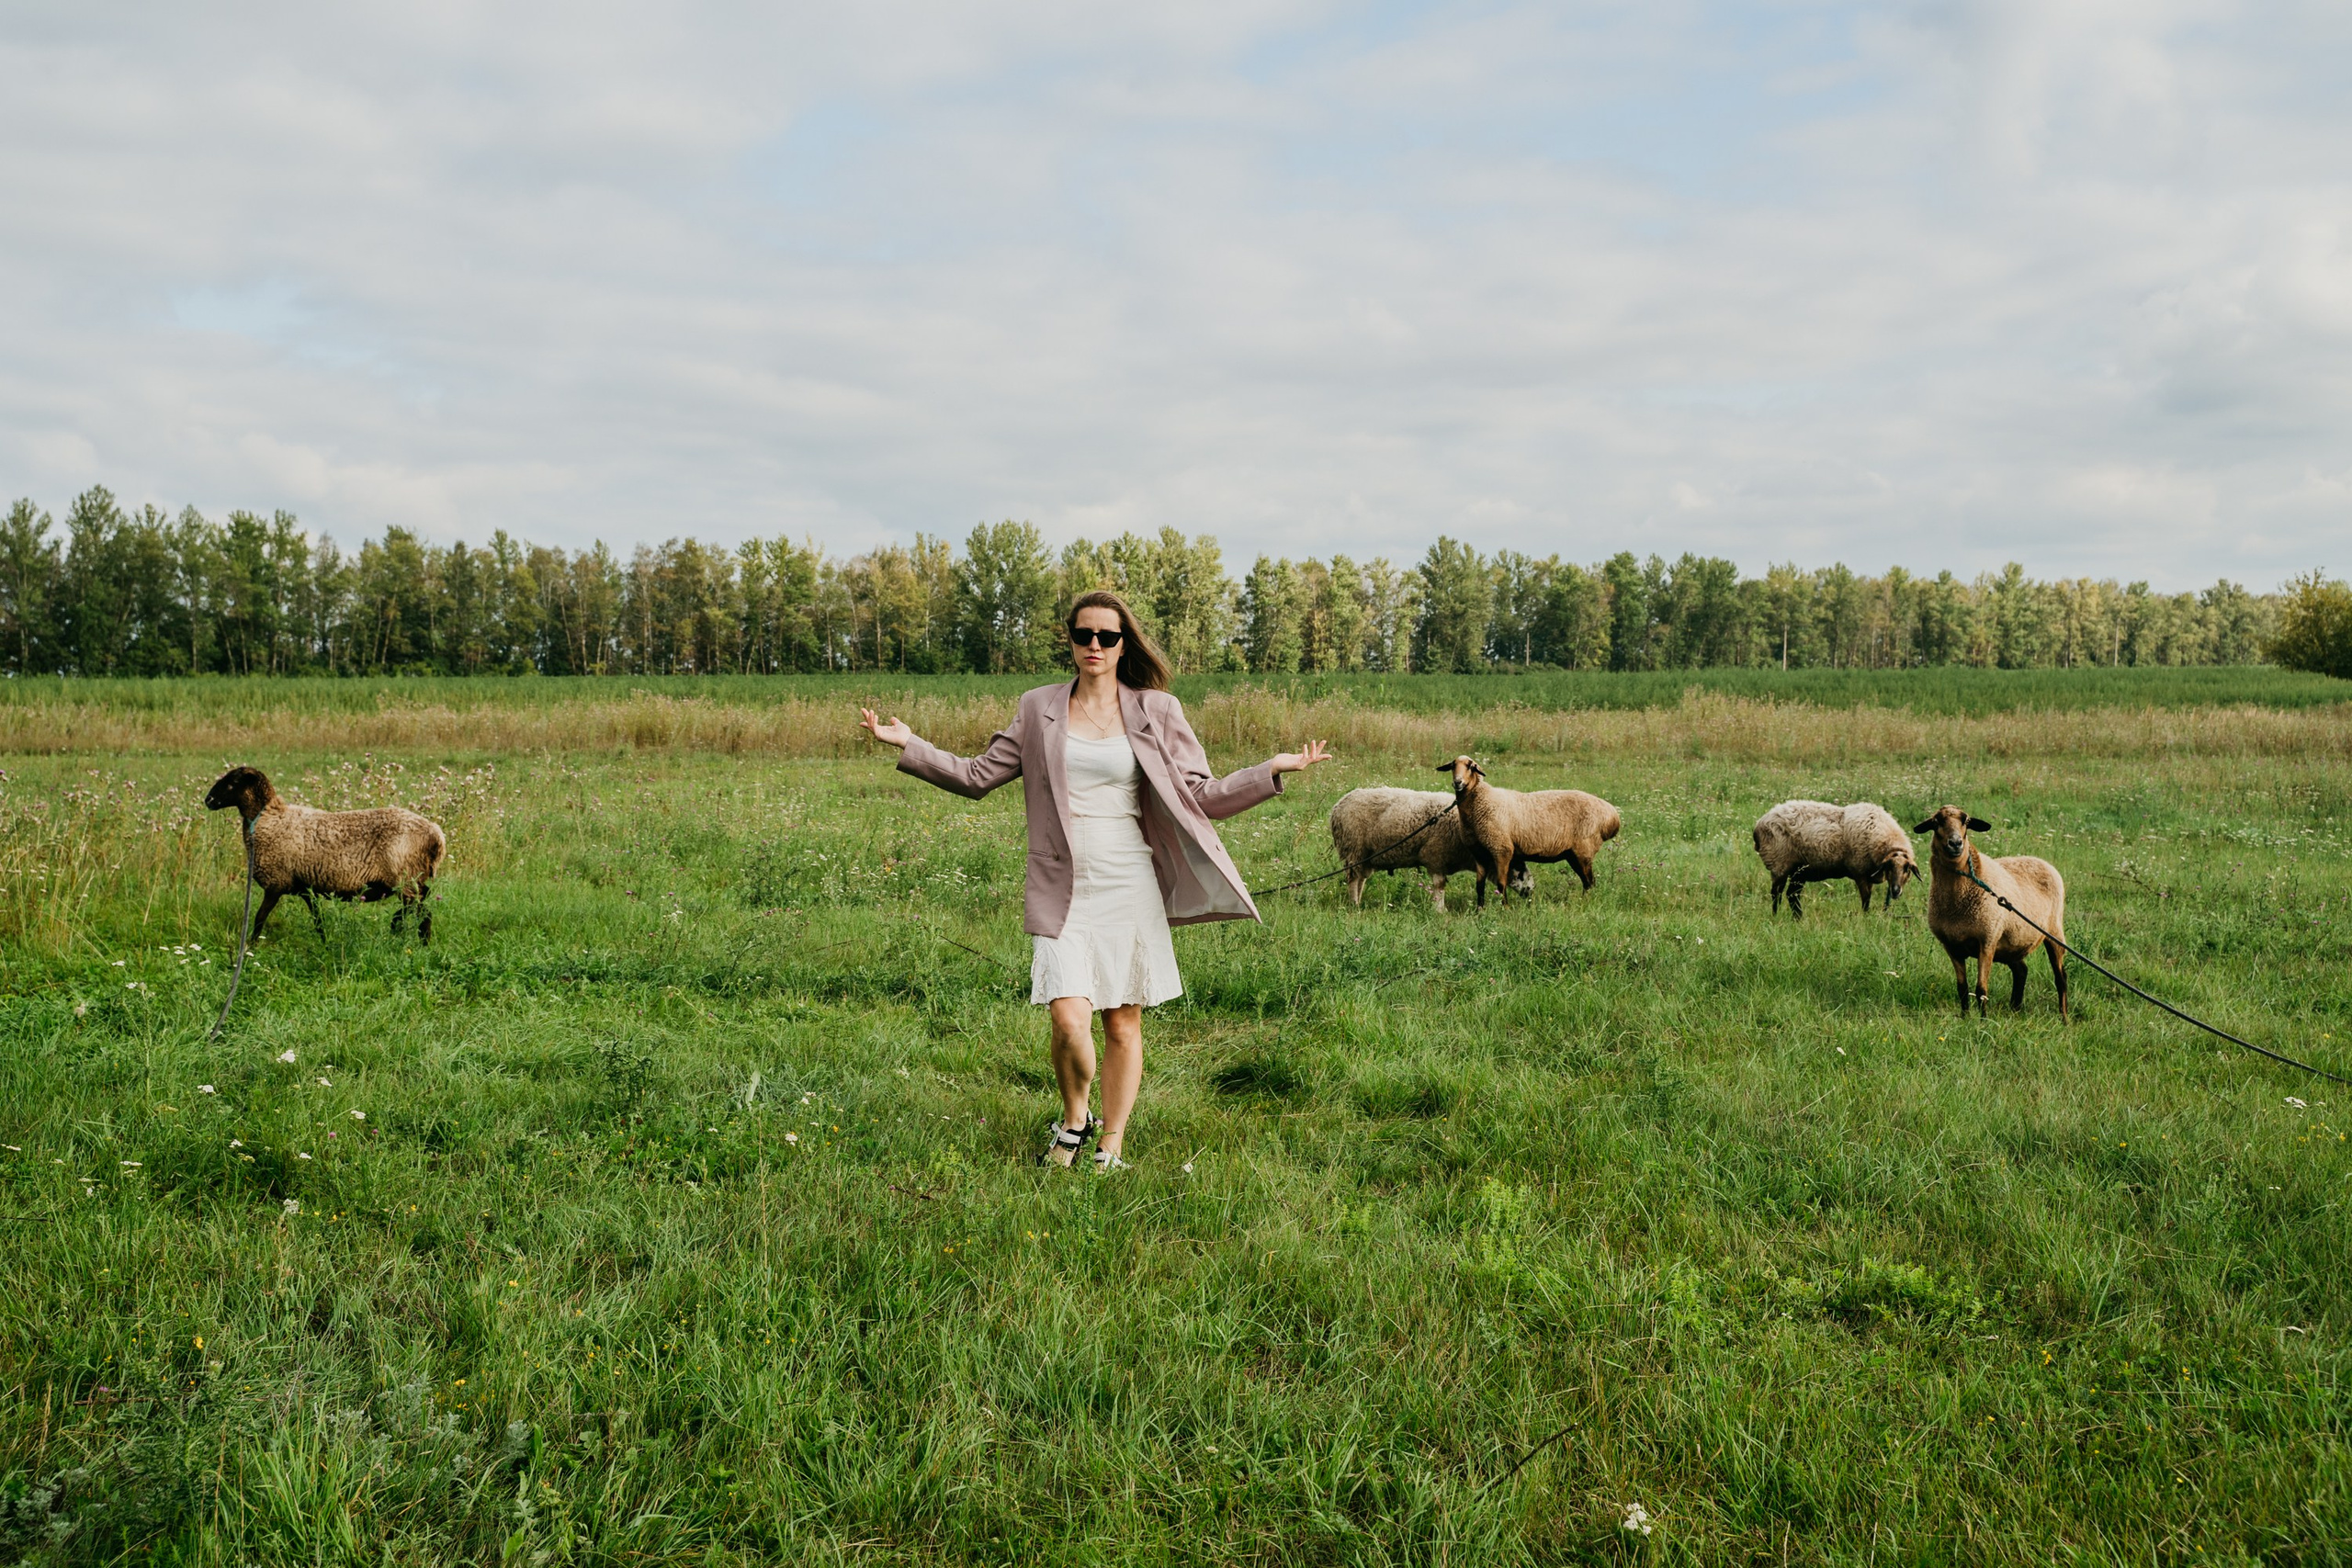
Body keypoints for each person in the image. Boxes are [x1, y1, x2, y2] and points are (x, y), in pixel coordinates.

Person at [860, 590, 1331, 1170]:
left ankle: (1111, 1143)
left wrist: (1271, 771)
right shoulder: (1039, 708)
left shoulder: (1157, 710)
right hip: (1062, 882)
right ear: (1071, 640)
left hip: (1128, 876)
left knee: (1122, 1021)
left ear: (1123, 643)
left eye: (1107, 637)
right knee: (1067, 1016)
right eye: (1084, 635)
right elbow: (979, 776)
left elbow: (1200, 795)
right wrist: (910, 744)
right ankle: (1076, 1116)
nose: (1095, 646)